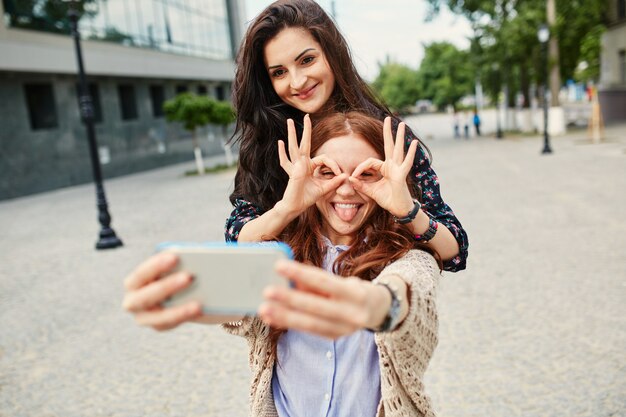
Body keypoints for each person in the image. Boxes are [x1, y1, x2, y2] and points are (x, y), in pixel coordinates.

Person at [123, 112, 440, 416]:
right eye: (328, 172)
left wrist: (373, 305)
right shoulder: (279, 255)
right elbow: (241, 305)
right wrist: (186, 296)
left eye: (366, 173)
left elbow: (406, 294)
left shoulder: (408, 257)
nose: (345, 187)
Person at [225, 0, 468, 273]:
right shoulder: (268, 145)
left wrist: (408, 212)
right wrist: (287, 209)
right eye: (279, 72)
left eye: (307, 60)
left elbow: (455, 253)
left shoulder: (387, 135)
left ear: (332, 53)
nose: (297, 82)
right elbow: (236, 241)